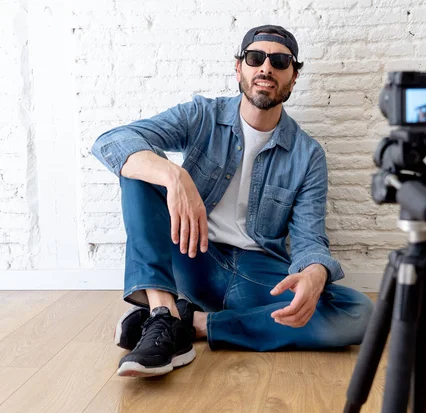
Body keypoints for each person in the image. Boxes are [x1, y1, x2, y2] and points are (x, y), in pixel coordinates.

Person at [91, 24, 374, 378]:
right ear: (238, 67)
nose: (266, 68)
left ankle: (192, 324)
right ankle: (163, 313)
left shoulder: (307, 154)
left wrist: (315, 271)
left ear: (294, 75)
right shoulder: (202, 116)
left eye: (280, 61)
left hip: (257, 274)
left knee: (359, 314)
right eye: (256, 58)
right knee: (139, 165)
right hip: (191, 254)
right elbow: (112, 140)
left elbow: (309, 239)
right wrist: (174, 176)